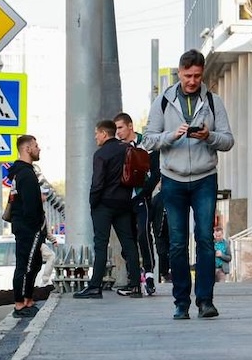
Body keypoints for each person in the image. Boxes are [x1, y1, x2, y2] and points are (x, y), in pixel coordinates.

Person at [143, 48, 235, 320]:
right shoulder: (163, 101)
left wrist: (209, 137)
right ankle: (181, 302)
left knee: (205, 239)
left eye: (196, 75)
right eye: (187, 75)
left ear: (202, 73)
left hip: (205, 178)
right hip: (172, 179)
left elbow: (228, 140)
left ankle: (205, 301)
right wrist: (172, 135)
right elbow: (148, 140)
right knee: (177, 243)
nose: (192, 81)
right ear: (179, 72)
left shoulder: (213, 101)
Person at [73, 120, 141, 299]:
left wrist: (92, 202)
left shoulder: (101, 154)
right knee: (129, 243)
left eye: (97, 133)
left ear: (104, 133)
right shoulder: (127, 148)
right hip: (124, 203)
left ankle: (95, 287)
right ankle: (135, 286)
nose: (95, 136)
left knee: (101, 245)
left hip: (104, 204)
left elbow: (97, 182)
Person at [114, 112, 161, 295]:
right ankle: (132, 277)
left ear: (130, 126)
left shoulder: (146, 144)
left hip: (142, 197)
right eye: (116, 128)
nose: (118, 132)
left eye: (120, 127)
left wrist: (144, 193)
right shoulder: (117, 148)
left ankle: (149, 274)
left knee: (143, 234)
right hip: (124, 200)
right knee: (128, 237)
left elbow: (156, 172)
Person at [6, 134, 46, 318]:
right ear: (27, 149)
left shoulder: (19, 173)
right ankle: (21, 303)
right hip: (28, 228)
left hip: (23, 226)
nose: (39, 149)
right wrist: (38, 226)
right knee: (27, 264)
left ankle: (28, 299)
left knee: (33, 262)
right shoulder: (26, 175)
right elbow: (29, 206)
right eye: (36, 146)